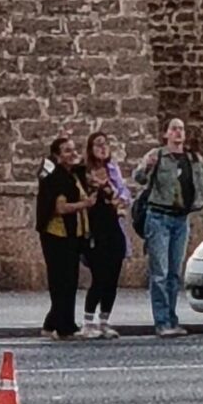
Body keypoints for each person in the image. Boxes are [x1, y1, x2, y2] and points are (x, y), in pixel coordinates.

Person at [134, 119, 203, 337]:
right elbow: (139, 178)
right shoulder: (158, 155)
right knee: (160, 273)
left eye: (181, 129)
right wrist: (147, 166)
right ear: (166, 135)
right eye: (174, 129)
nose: (178, 132)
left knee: (174, 273)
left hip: (180, 220)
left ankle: (172, 319)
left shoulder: (193, 159)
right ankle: (162, 322)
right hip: (158, 217)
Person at [36, 135, 96, 340]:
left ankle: (53, 324)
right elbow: (60, 208)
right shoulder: (58, 178)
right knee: (63, 281)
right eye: (67, 151)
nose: (72, 154)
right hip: (58, 235)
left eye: (73, 149)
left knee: (69, 281)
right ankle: (64, 326)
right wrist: (85, 204)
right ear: (57, 155)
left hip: (72, 234)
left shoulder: (73, 175)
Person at [81, 131, 131, 338]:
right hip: (96, 228)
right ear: (91, 149)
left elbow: (124, 193)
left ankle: (104, 320)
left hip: (114, 227)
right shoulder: (85, 173)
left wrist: (119, 198)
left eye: (105, 144)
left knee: (112, 277)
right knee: (99, 277)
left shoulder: (112, 170)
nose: (102, 148)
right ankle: (88, 322)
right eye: (98, 144)